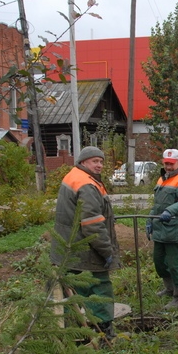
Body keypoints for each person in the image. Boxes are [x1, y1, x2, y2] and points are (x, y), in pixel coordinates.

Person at [50, 146, 120, 341]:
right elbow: (92, 226)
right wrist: (107, 251)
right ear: (83, 162)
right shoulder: (87, 185)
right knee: (99, 287)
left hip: (69, 246)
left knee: (71, 287)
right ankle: (104, 331)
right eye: (94, 161)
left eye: (101, 161)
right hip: (86, 248)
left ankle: (70, 331)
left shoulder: (74, 176)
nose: (99, 165)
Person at [146, 149, 178, 310]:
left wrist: (171, 211)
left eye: (171, 164)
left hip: (175, 230)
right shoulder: (163, 179)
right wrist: (150, 220)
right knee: (159, 262)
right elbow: (157, 205)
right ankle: (169, 288)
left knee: (176, 264)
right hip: (160, 229)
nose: (168, 167)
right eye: (166, 163)